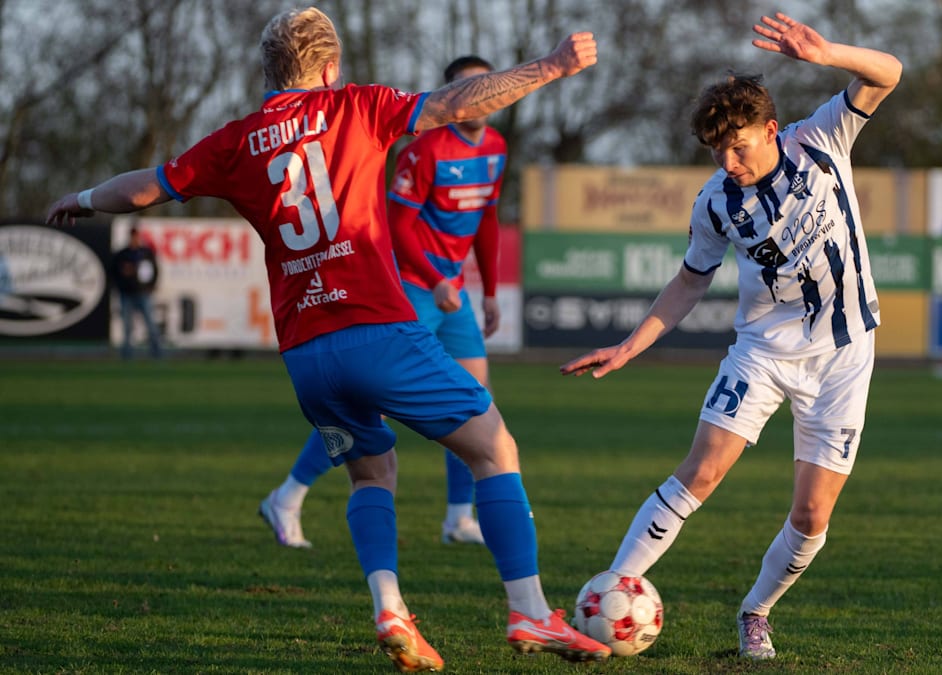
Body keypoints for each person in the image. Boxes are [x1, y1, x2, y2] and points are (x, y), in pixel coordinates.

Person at [47, 7, 610, 671]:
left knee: (371, 470)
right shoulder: (357, 107)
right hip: (376, 323)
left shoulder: (234, 141)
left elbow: (148, 188)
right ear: (329, 68)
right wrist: (549, 66)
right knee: (493, 445)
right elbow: (458, 103)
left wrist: (82, 197)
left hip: (306, 351)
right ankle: (530, 612)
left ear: (268, 72)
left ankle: (391, 606)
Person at [560, 12, 901, 661]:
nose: (729, 160)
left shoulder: (823, 138)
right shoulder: (717, 202)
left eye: (740, 145)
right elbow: (689, 282)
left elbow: (889, 73)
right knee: (703, 471)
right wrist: (630, 345)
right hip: (765, 352)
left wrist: (827, 52)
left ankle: (756, 611)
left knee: (811, 517)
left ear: (772, 129)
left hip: (844, 353)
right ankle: (607, 596)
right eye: (718, 150)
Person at [261, 55, 509, 549]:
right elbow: (398, 225)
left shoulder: (497, 148)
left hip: (454, 294)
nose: (478, 94)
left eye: (485, 85)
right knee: (371, 405)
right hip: (413, 287)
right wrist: (436, 277)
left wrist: (490, 290)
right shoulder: (426, 148)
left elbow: (485, 219)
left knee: (474, 403)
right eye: (467, 86)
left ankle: (459, 518)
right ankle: (288, 495)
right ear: (451, 95)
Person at [110, 226, 163, 359]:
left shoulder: (146, 252)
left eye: (137, 236)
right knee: (127, 327)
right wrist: (121, 283)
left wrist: (151, 286)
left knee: (151, 325)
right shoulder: (122, 254)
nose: (135, 238)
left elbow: (154, 271)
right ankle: (127, 356)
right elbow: (114, 273)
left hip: (143, 293)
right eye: (133, 236)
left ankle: (157, 355)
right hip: (126, 293)